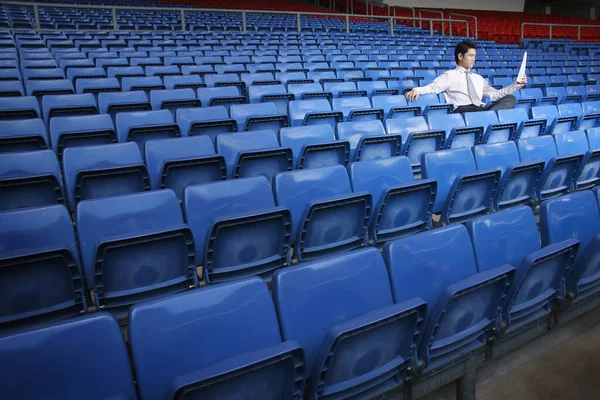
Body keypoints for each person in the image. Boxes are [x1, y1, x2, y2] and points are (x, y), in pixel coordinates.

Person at [404, 40, 527, 114]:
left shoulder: (478, 78)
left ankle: (489, 116)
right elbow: (433, 87)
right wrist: (417, 90)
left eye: (474, 56)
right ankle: (490, 117)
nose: (474, 59)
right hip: (462, 110)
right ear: (460, 56)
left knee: (510, 98)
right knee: (481, 110)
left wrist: (516, 85)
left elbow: (495, 95)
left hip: (480, 109)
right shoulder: (449, 75)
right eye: (470, 56)